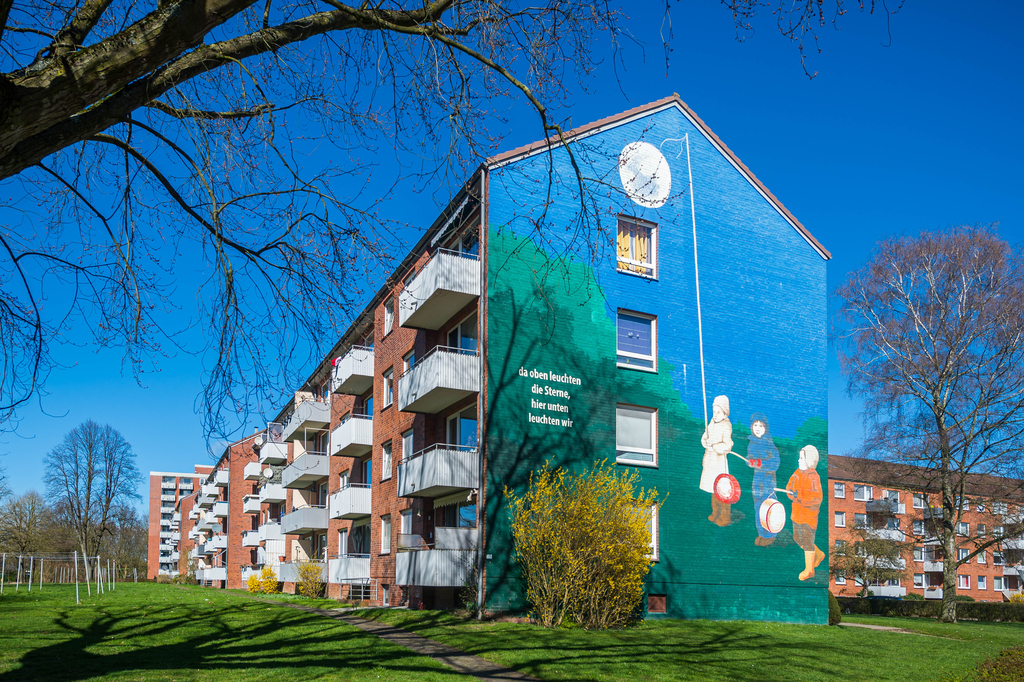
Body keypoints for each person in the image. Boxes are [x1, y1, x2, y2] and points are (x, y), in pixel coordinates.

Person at [785, 445, 825, 580]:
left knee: (807, 541)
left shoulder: (814, 476)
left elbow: (817, 497)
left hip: (809, 517)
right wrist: (791, 493)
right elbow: (789, 486)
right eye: (799, 457)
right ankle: (818, 554)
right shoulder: (796, 473)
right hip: (796, 514)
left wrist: (800, 496)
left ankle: (809, 570)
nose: (798, 460)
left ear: (810, 460)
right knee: (797, 537)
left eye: (801, 458)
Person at [747, 413, 780, 546]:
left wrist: (761, 464)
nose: (758, 428)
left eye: (761, 425)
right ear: (751, 427)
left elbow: (775, 462)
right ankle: (762, 534)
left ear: (765, 427)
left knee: (768, 508)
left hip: (767, 481)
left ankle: (771, 534)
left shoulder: (769, 444)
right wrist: (750, 462)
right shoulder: (752, 443)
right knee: (758, 508)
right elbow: (749, 458)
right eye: (755, 425)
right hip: (756, 482)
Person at [699, 395, 733, 526]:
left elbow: (728, 445)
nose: (716, 414)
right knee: (712, 488)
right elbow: (704, 437)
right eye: (714, 411)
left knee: (722, 489)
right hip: (710, 462)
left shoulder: (726, 425)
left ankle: (725, 516)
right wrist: (706, 442)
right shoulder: (711, 423)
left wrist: (715, 446)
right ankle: (715, 512)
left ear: (725, 412)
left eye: (719, 412)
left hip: (719, 463)